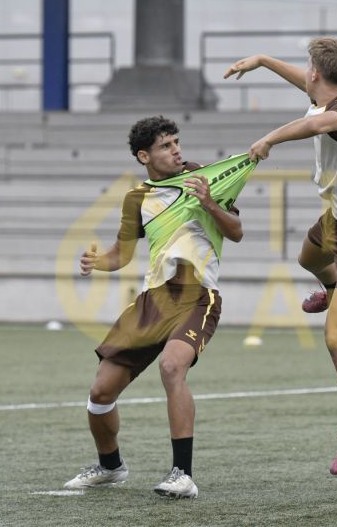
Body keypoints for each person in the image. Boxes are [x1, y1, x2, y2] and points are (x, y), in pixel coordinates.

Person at [224, 37, 337, 475]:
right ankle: (332, 287)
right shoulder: (327, 90)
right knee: (307, 259)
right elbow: (304, 82)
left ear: (318, 74)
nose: (305, 75)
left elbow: (321, 125)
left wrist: (269, 139)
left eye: (308, 70)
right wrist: (262, 60)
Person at [64, 116, 246, 498]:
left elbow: (236, 231)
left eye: (177, 142)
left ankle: (183, 474)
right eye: (166, 146)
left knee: (171, 365)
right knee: (100, 394)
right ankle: (111, 467)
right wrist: (97, 263)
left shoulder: (201, 177)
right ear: (144, 156)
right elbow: (121, 255)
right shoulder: (137, 198)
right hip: (152, 301)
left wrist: (209, 203)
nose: (176, 150)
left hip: (198, 296)